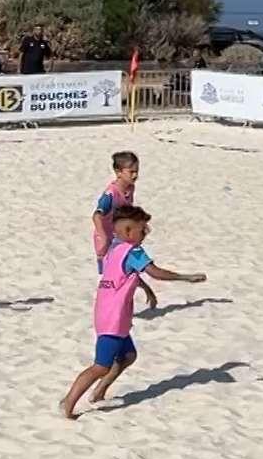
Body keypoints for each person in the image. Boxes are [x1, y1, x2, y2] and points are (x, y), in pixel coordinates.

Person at [60, 204, 206, 419]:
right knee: (100, 367)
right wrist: (185, 278)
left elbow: (126, 275)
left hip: (108, 314)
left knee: (128, 356)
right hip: (113, 320)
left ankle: (99, 391)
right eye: (143, 229)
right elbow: (155, 272)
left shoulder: (114, 248)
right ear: (129, 231)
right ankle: (68, 403)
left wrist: (145, 288)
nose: (146, 233)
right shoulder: (133, 251)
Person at [93, 151, 138, 271]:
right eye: (131, 172)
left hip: (120, 235)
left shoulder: (130, 188)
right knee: (108, 272)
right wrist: (103, 236)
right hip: (106, 238)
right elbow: (97, 215)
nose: (135, 175)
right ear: (118, 172)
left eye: (136, 171)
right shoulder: (111, 194)